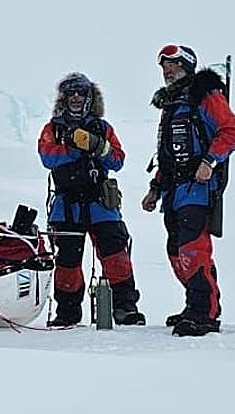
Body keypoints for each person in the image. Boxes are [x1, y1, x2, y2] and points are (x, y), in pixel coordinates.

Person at [141, 45, 235, 336]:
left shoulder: (205, 95)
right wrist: (155, 187)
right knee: (175, 249)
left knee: (192, 247)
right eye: (164, 66)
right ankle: (195, 303)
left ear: (187, 65)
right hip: (173, 187)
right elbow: (167, 152)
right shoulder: (171, 104)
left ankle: (204, 312)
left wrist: (210, 160)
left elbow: (230, 130)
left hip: (198, 185)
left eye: (174, 64)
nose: (167, 70)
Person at [38, 73, 144, 327]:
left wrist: (98, 146)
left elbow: (117, 160)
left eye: (81, 93)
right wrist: (73, 150)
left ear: (89, 97)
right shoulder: (53, 128)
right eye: (71, 93)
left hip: (100, 203)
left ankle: (125, 308)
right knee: (67, 263)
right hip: (67, 205)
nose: (76, 97)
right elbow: (47, 157)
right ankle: (67, 313)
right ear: (64, 97)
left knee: (116, 255)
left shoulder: (103, 128)